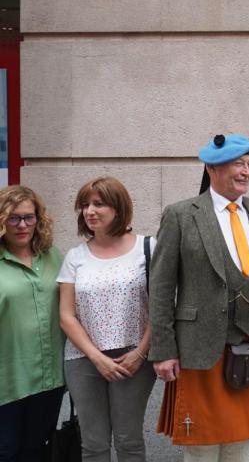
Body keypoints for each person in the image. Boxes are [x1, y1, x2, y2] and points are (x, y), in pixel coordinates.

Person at [149, 134, 249, 462]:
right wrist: (163, 350)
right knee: (202, 447)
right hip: (199, 348)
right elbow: (162, 286)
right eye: (239, 163)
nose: (247, 171)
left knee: (242, 444)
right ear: (212, 167)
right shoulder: (181, 215)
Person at [58, 177, 157, 462]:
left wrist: (141, 352)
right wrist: (96, 357)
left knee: (129, 440)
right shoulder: (75, 256)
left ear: (118, 207)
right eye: (85, 205)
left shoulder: (148, 248)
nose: (90, 211)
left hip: (134, 358)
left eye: (98, 204)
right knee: (93, 444)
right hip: (83, 359)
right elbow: (66, 316)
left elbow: (161, 308)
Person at [0, 185, 65, 461]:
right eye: (13, 218)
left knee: (36, 451)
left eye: (29, 217)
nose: (22, 225)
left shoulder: (53, 257)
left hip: (49, 379)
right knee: (7, 451)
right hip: (7, 380)